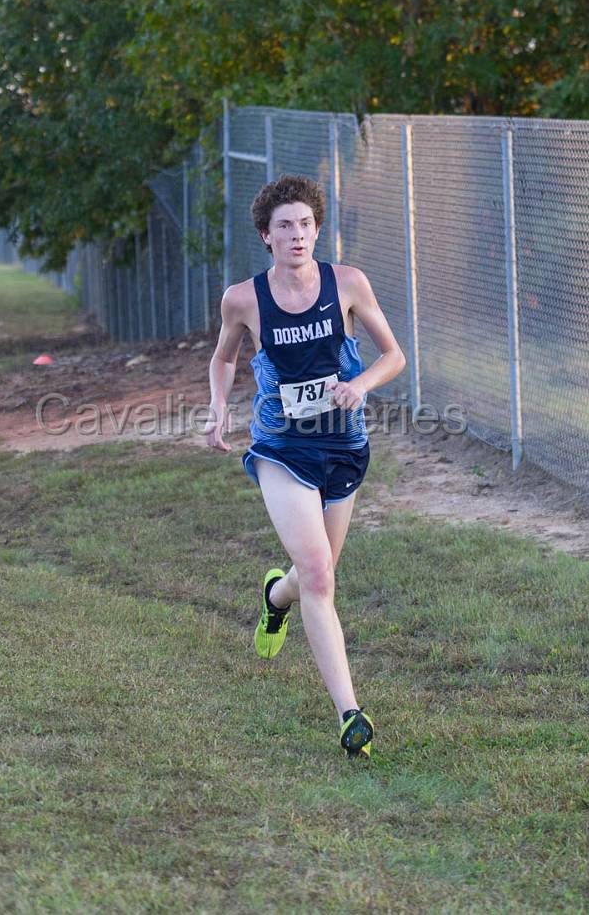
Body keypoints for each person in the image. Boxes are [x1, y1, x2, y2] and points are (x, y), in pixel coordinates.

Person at [204, 174, 406, 758]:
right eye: (285, 226)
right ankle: (351, 716)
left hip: (343, 443)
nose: (298, 235)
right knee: (320, 574)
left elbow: (394, 355)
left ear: (318, 229)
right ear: (266, 236)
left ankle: (275, 599)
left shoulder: (348, 283)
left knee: (312, 578)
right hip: (280, 447)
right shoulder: (243, 299)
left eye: (307, 224)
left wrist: (359, 384)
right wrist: (218, 410)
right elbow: (223, 359)